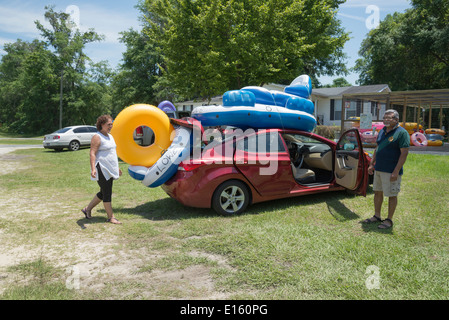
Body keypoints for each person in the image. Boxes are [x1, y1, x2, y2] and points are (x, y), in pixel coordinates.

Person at [362, 109, 410, 229]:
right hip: (379, 169)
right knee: (378, 193)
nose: (386, 120)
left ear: (396, 120)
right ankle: (377, 216)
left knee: (392, 195)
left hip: (391, 171)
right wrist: (372, 164)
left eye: (390, 118)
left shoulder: (402, 133)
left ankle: (389, 220)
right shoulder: (382, 131)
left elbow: (404, 153)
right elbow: (377, 148)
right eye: (385, 118)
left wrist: (396, 171)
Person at [81, 115, 122, 224]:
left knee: (103, 192)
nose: (111, 126)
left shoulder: (110, 136)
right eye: (109, 124)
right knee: (107, 192)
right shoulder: (97, 137)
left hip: (110, 168)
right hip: (102, 168)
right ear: (102, 125)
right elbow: (92, 153)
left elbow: (111, 153)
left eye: (111, 124)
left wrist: (117, 168)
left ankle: (87, 209)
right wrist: (93, 168)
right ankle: (111, 217)